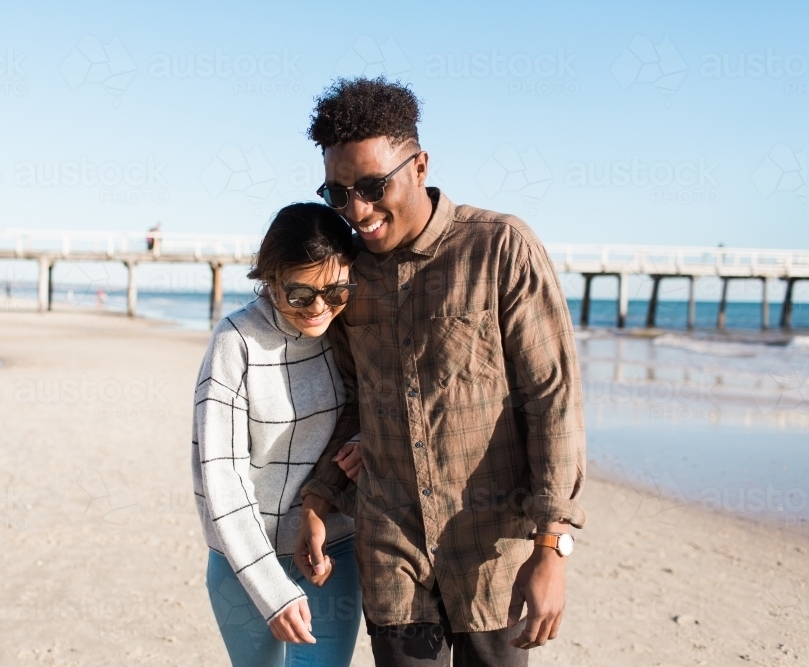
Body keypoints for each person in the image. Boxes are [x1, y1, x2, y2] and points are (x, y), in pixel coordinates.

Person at [295, 78, 587, 667]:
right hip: (392, 553)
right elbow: (355, 402)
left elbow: (551, 398)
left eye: (374, 187)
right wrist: (320, 498)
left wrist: (551, 546)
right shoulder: (352, 275)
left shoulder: (499, 248)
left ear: (420, 164)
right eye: (339, 193)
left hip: (491, 555)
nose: (358, 211)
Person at [192, 203, 363, 667]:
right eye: (300, 294)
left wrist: (366, 440)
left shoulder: (347, 329)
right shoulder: (235, 343)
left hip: (334, 550)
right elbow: (221, 477)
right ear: (270, 279)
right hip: (244, 559)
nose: (320, 308)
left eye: (335, 291)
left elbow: (378, 404)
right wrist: (270, 589)